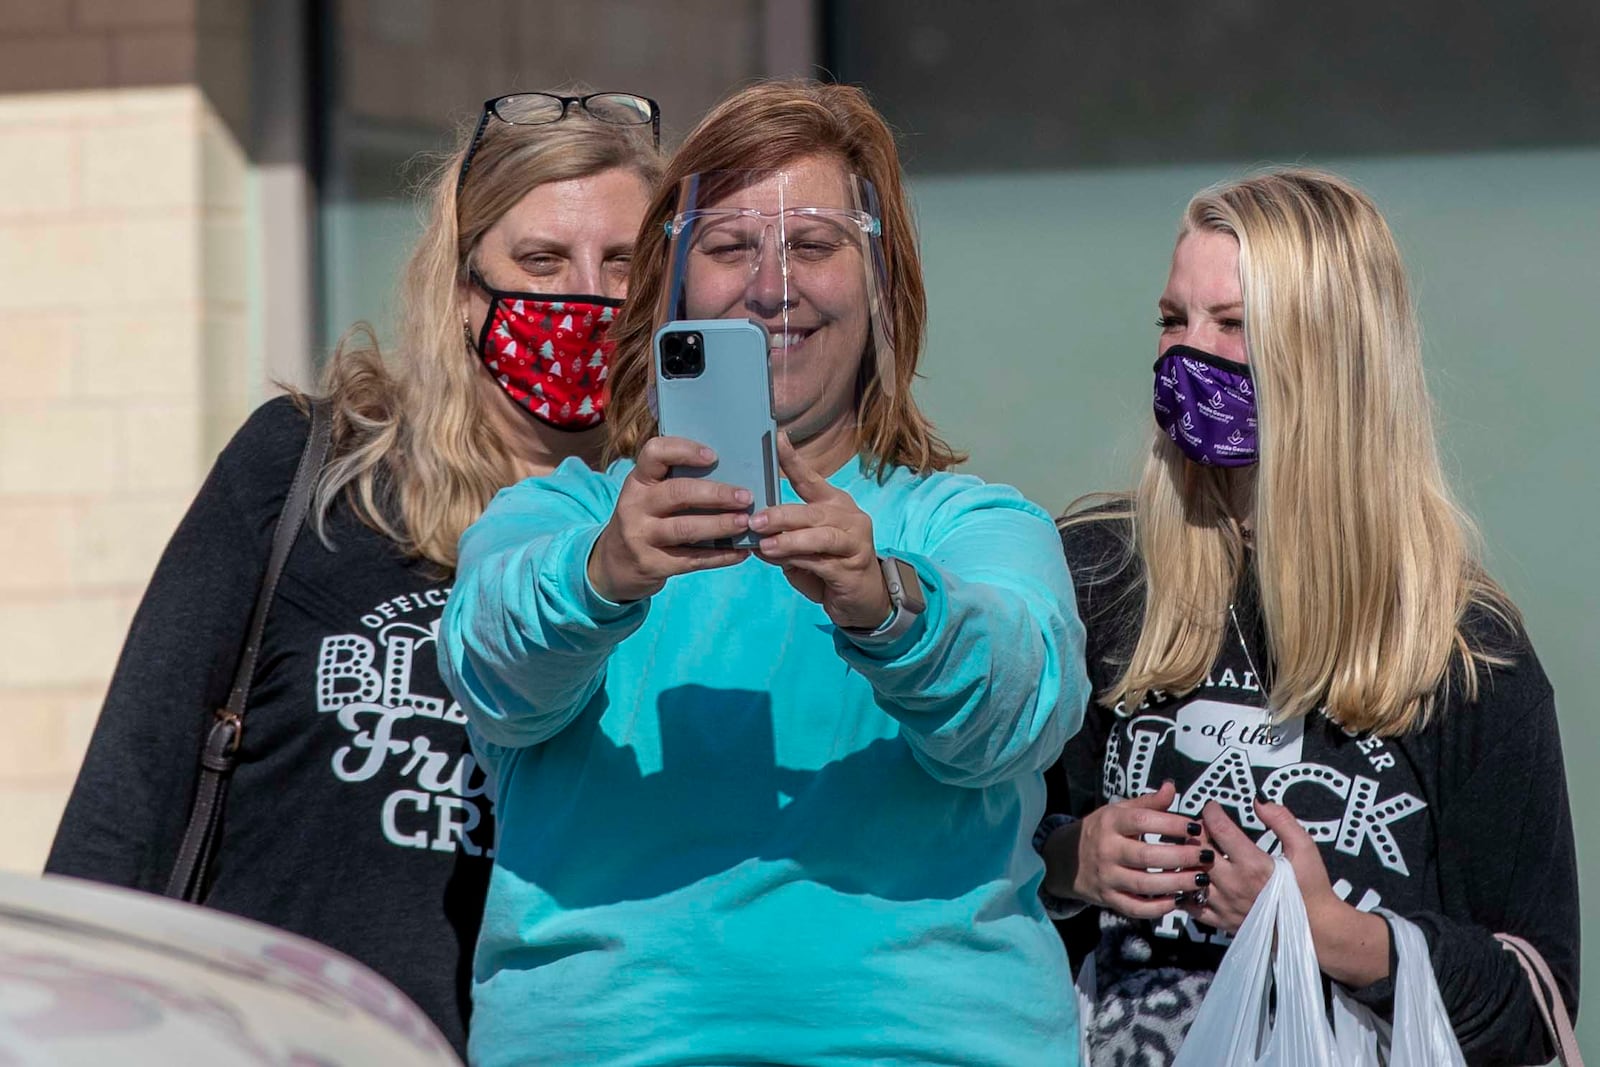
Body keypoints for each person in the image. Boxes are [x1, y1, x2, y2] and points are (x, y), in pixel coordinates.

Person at [437, 79, 1090, 1067]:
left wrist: (890, 604)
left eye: (815, 245)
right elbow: (492, 671)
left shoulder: (973, 524)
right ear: (673, 287)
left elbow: (1020, 714)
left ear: (882, 283)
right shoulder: (559, 515)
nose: (772, 285)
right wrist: (603, 574)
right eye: (731, 246)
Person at [44, 90, 664, 1056]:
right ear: (464, 290)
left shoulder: (686, 527)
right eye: (542, 260)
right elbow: (133, 781)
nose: (589, 296)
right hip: (268, 1039)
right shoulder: (311, 468)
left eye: (624, 263)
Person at [1038, 168, 1579, 1065]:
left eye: (1234, 324)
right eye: (1173, 320)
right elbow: (967, 866)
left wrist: (1323, 932)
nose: (1185, 354)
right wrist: (1071, 863)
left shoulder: (1463, 646)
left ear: (1329, 355)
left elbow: (1538, 998)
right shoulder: (1096, 575)